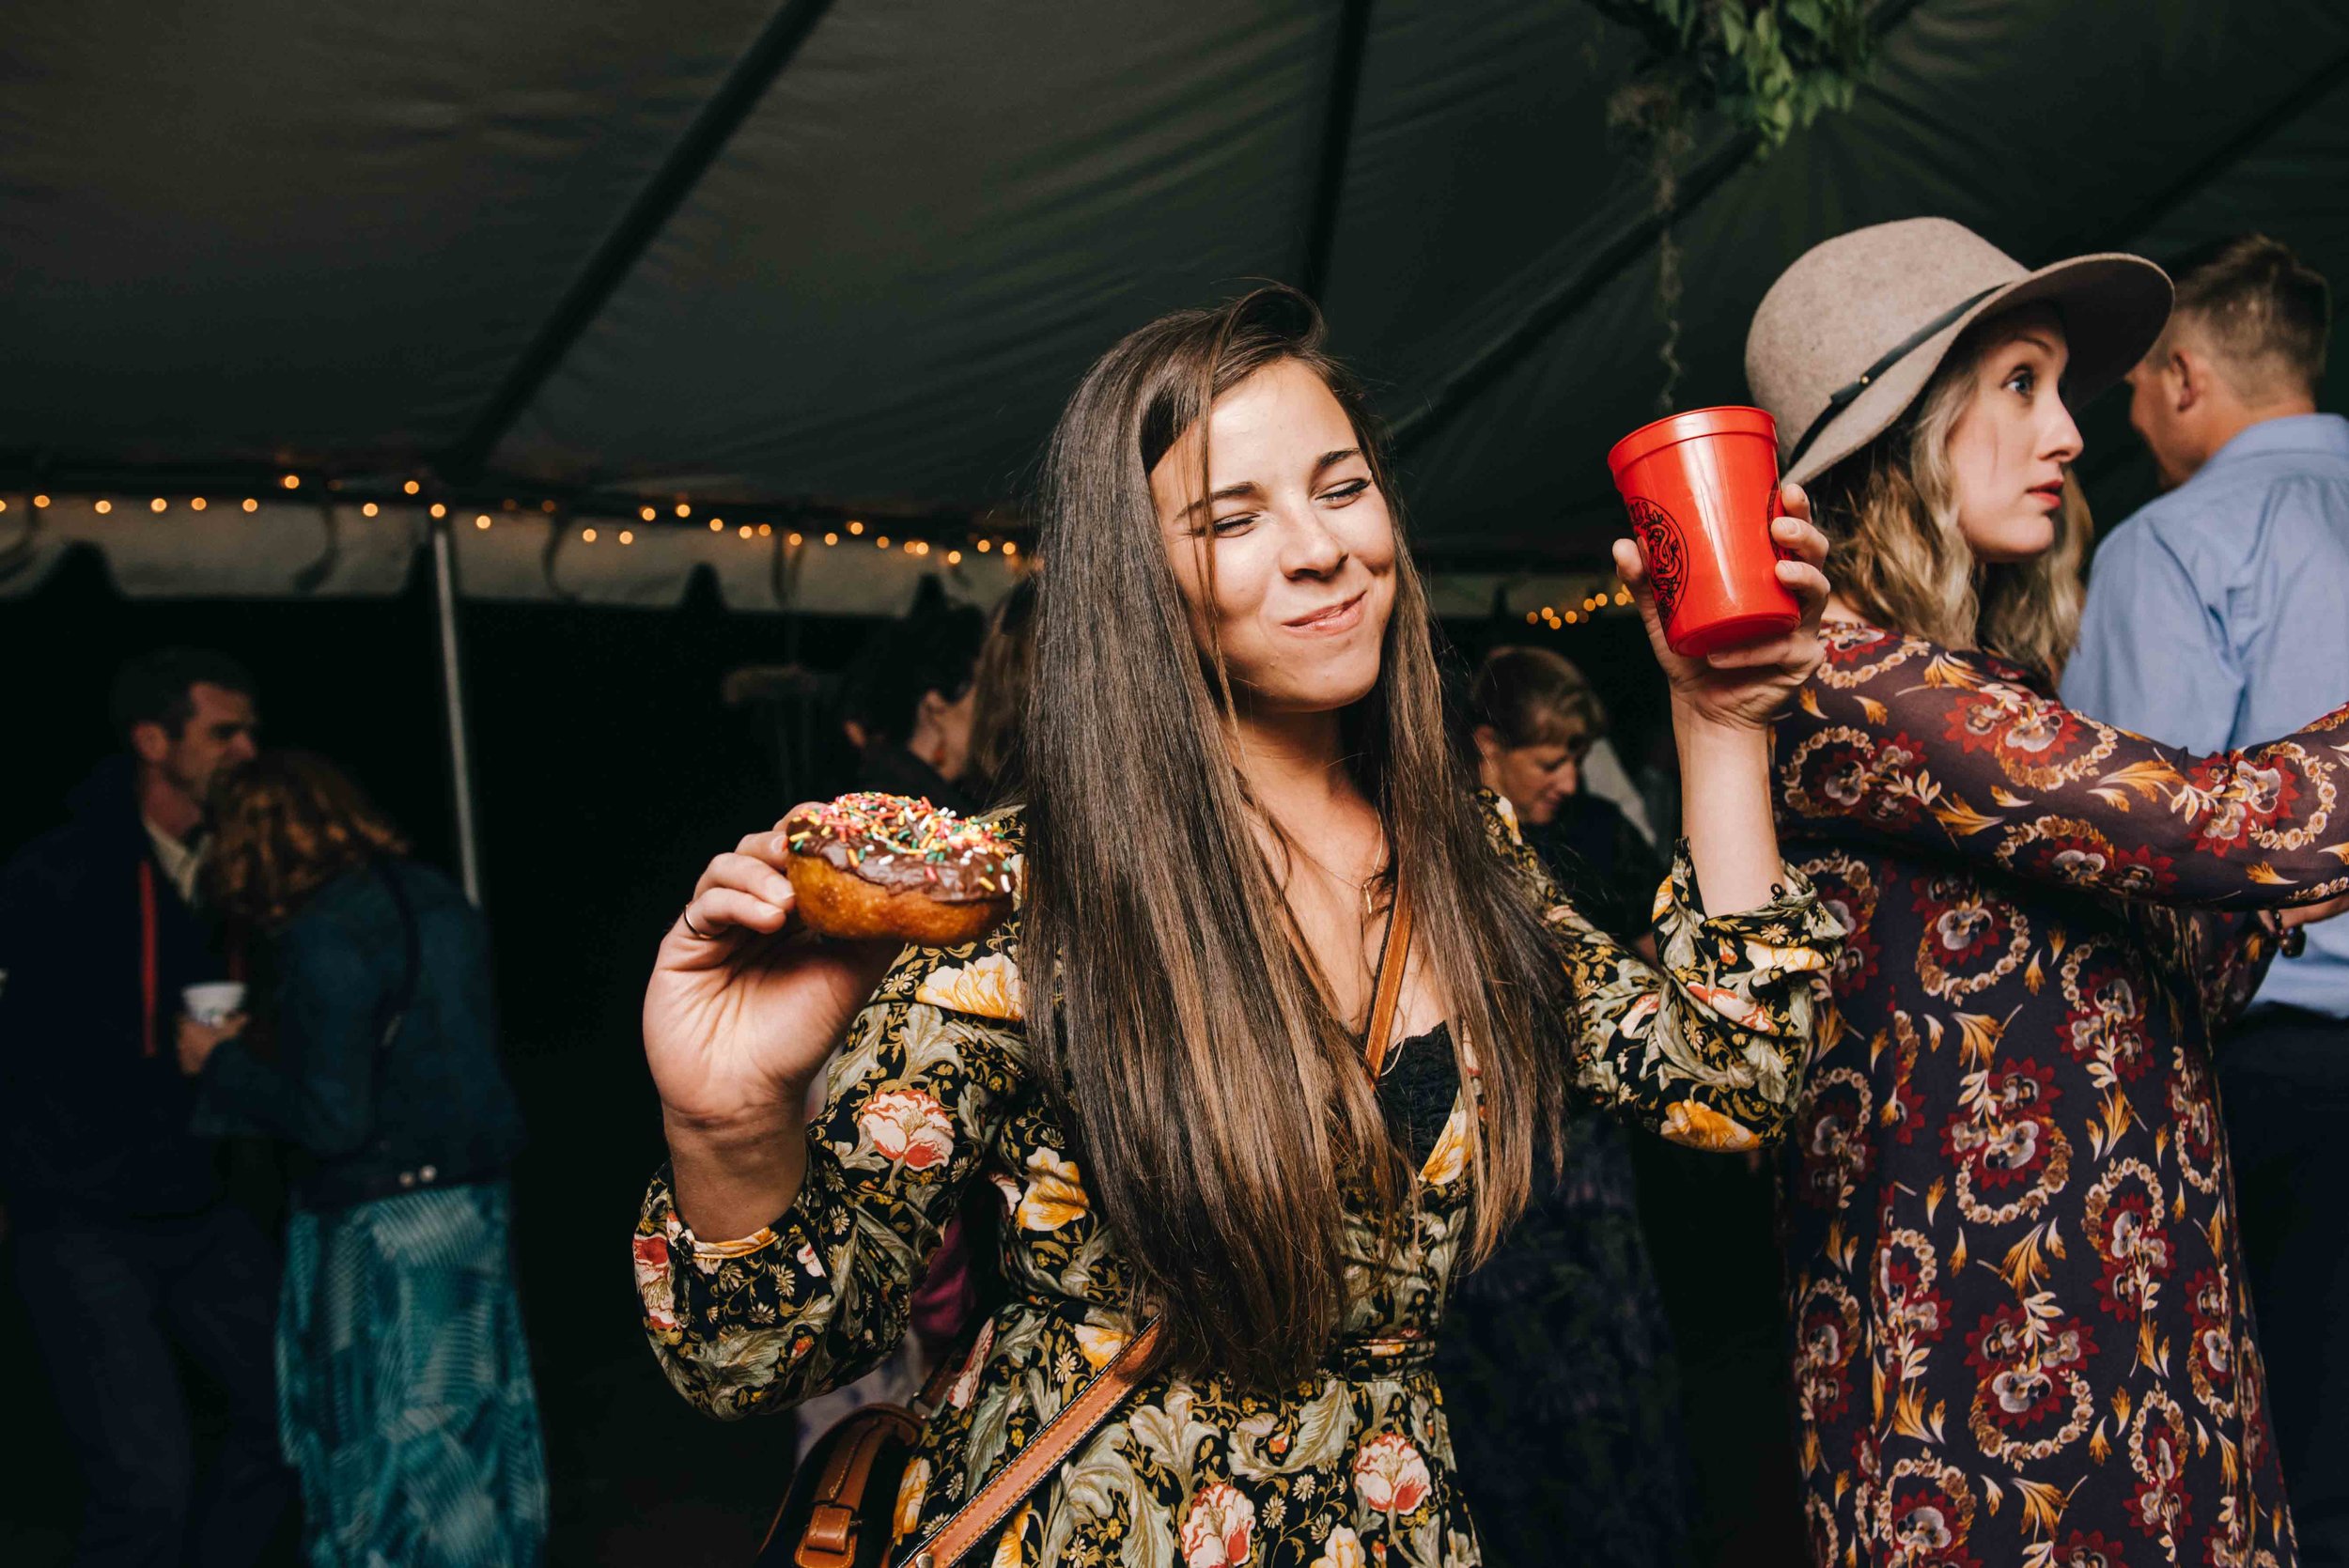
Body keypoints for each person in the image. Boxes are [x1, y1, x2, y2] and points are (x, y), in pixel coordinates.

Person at [631, 285, 1846, 1565]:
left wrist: (1718, 723)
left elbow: (1731, 1077)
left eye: (1340, 489)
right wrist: (725, 1122)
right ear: (1140, 580)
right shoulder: (1027, 897)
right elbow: (756, 1356)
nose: (1319, 550)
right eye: (1231, 518)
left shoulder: (1460, 850)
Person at [1746, 217, 2349, 1566]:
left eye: (2062, 387)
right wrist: (2252, 859)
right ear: (1897, 434)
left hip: (2140, 1327)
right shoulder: (1843, 677)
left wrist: (2246, 911)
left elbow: (2155, 976)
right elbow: (2212, 823)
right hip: (1995, 1390)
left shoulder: (1980, 691)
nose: (2071, 434)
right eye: (2021, 384)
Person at [2060, 236, 2349, 1563]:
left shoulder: (2171, 544)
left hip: (2280, 1065)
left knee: (2281, 1447)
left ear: (2183, 375)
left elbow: (2132, 848)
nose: (2112, 418)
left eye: (2122, 386)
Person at [177, 752, 546, 1568]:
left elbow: (334, 1119)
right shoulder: (435, 896)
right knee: (468, 1436)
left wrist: (222, 1063)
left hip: (386, 1227)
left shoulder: (322, 931)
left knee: (386, 1445)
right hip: (473, 1208)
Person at [0, 647, 290, 1568]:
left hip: (200, 1201)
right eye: (224, 731)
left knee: (297, 1418)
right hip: (81, 1214)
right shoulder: (57, 872)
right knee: (143, 1485)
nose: (248, 749)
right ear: (152, 740)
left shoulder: (240, 870)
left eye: (251, 729)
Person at [1439, 643, 1689, 1566]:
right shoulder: (1451, 848)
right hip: (1502, 1177)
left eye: (1577, 757)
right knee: (1521, 1417)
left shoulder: (1596, 829)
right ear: (1484, 746)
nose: (1569, 778)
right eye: (1549, 760)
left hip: (1593, 1164)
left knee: (1623, 1388)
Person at [839, 579, 988, 814]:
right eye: (986, 689)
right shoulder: (903, 809)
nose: (998, 706)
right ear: (936, 703)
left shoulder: (903, 785)